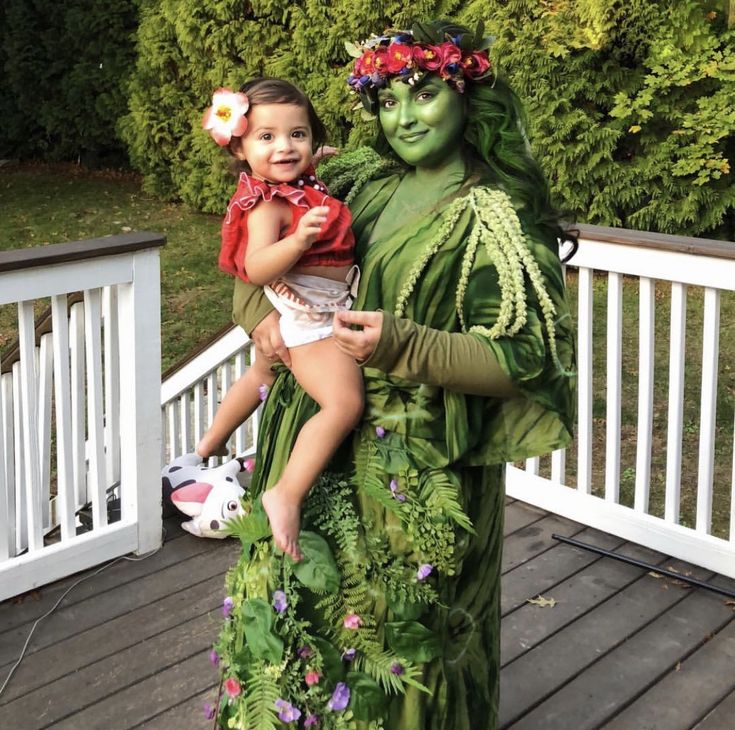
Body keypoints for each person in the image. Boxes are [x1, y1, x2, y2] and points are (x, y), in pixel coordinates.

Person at [211, 20, 576, 730]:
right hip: (314, 439)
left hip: (419, 471)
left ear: (467, 95)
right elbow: (255, 255)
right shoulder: (356, 180)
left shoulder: (496, 216)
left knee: (403, 653)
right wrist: (254, 313)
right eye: (386, 100)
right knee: (302, 623)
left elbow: (530, 360)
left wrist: (403, 344)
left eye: (423, 94)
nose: (403, 117)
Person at [197, 78, 364, 561]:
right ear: (241, 147)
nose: (285, 147)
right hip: (308, 315)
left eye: (298, 134)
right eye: (267, 137)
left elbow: (302, 159)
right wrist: (297, 243)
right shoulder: (267, 203)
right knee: (342, 403)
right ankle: (285, 493)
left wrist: (320, 157)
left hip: (315, 303)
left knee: (262, 371)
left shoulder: (296, 179)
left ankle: (208, 444)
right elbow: (256, 265)